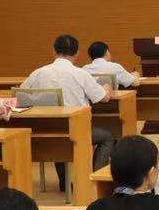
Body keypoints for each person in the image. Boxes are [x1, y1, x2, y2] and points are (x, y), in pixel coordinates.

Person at [22, 34, 118, 179]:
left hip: (45, 132)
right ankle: (96, 179)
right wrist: (106, 87)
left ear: (53, 51)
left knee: (57, 128)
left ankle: (64, 181)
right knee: (108, 137)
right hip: (76, 131)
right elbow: (104, 98)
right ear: (77, 53)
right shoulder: (80, 74)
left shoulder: (38, 73)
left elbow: (21, 94)